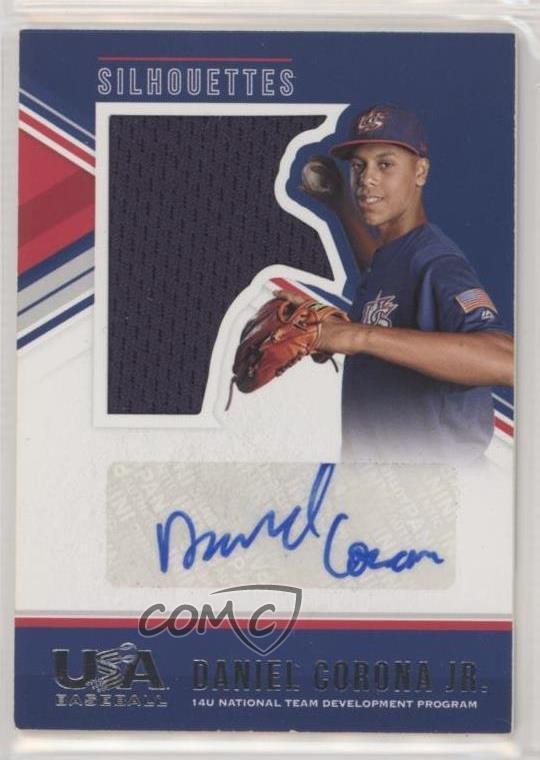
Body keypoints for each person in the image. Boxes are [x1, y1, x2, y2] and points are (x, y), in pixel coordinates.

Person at [298, 104, 513, 463]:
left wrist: (359, 336)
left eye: (385, 164)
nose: (366, 179)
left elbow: (507, 360)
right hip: (382, 478)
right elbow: (384, 272)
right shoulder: (396, 254)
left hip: (434, 483)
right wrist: (342, 207)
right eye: (358, 166)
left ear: (420, 171)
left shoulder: (438, 262)